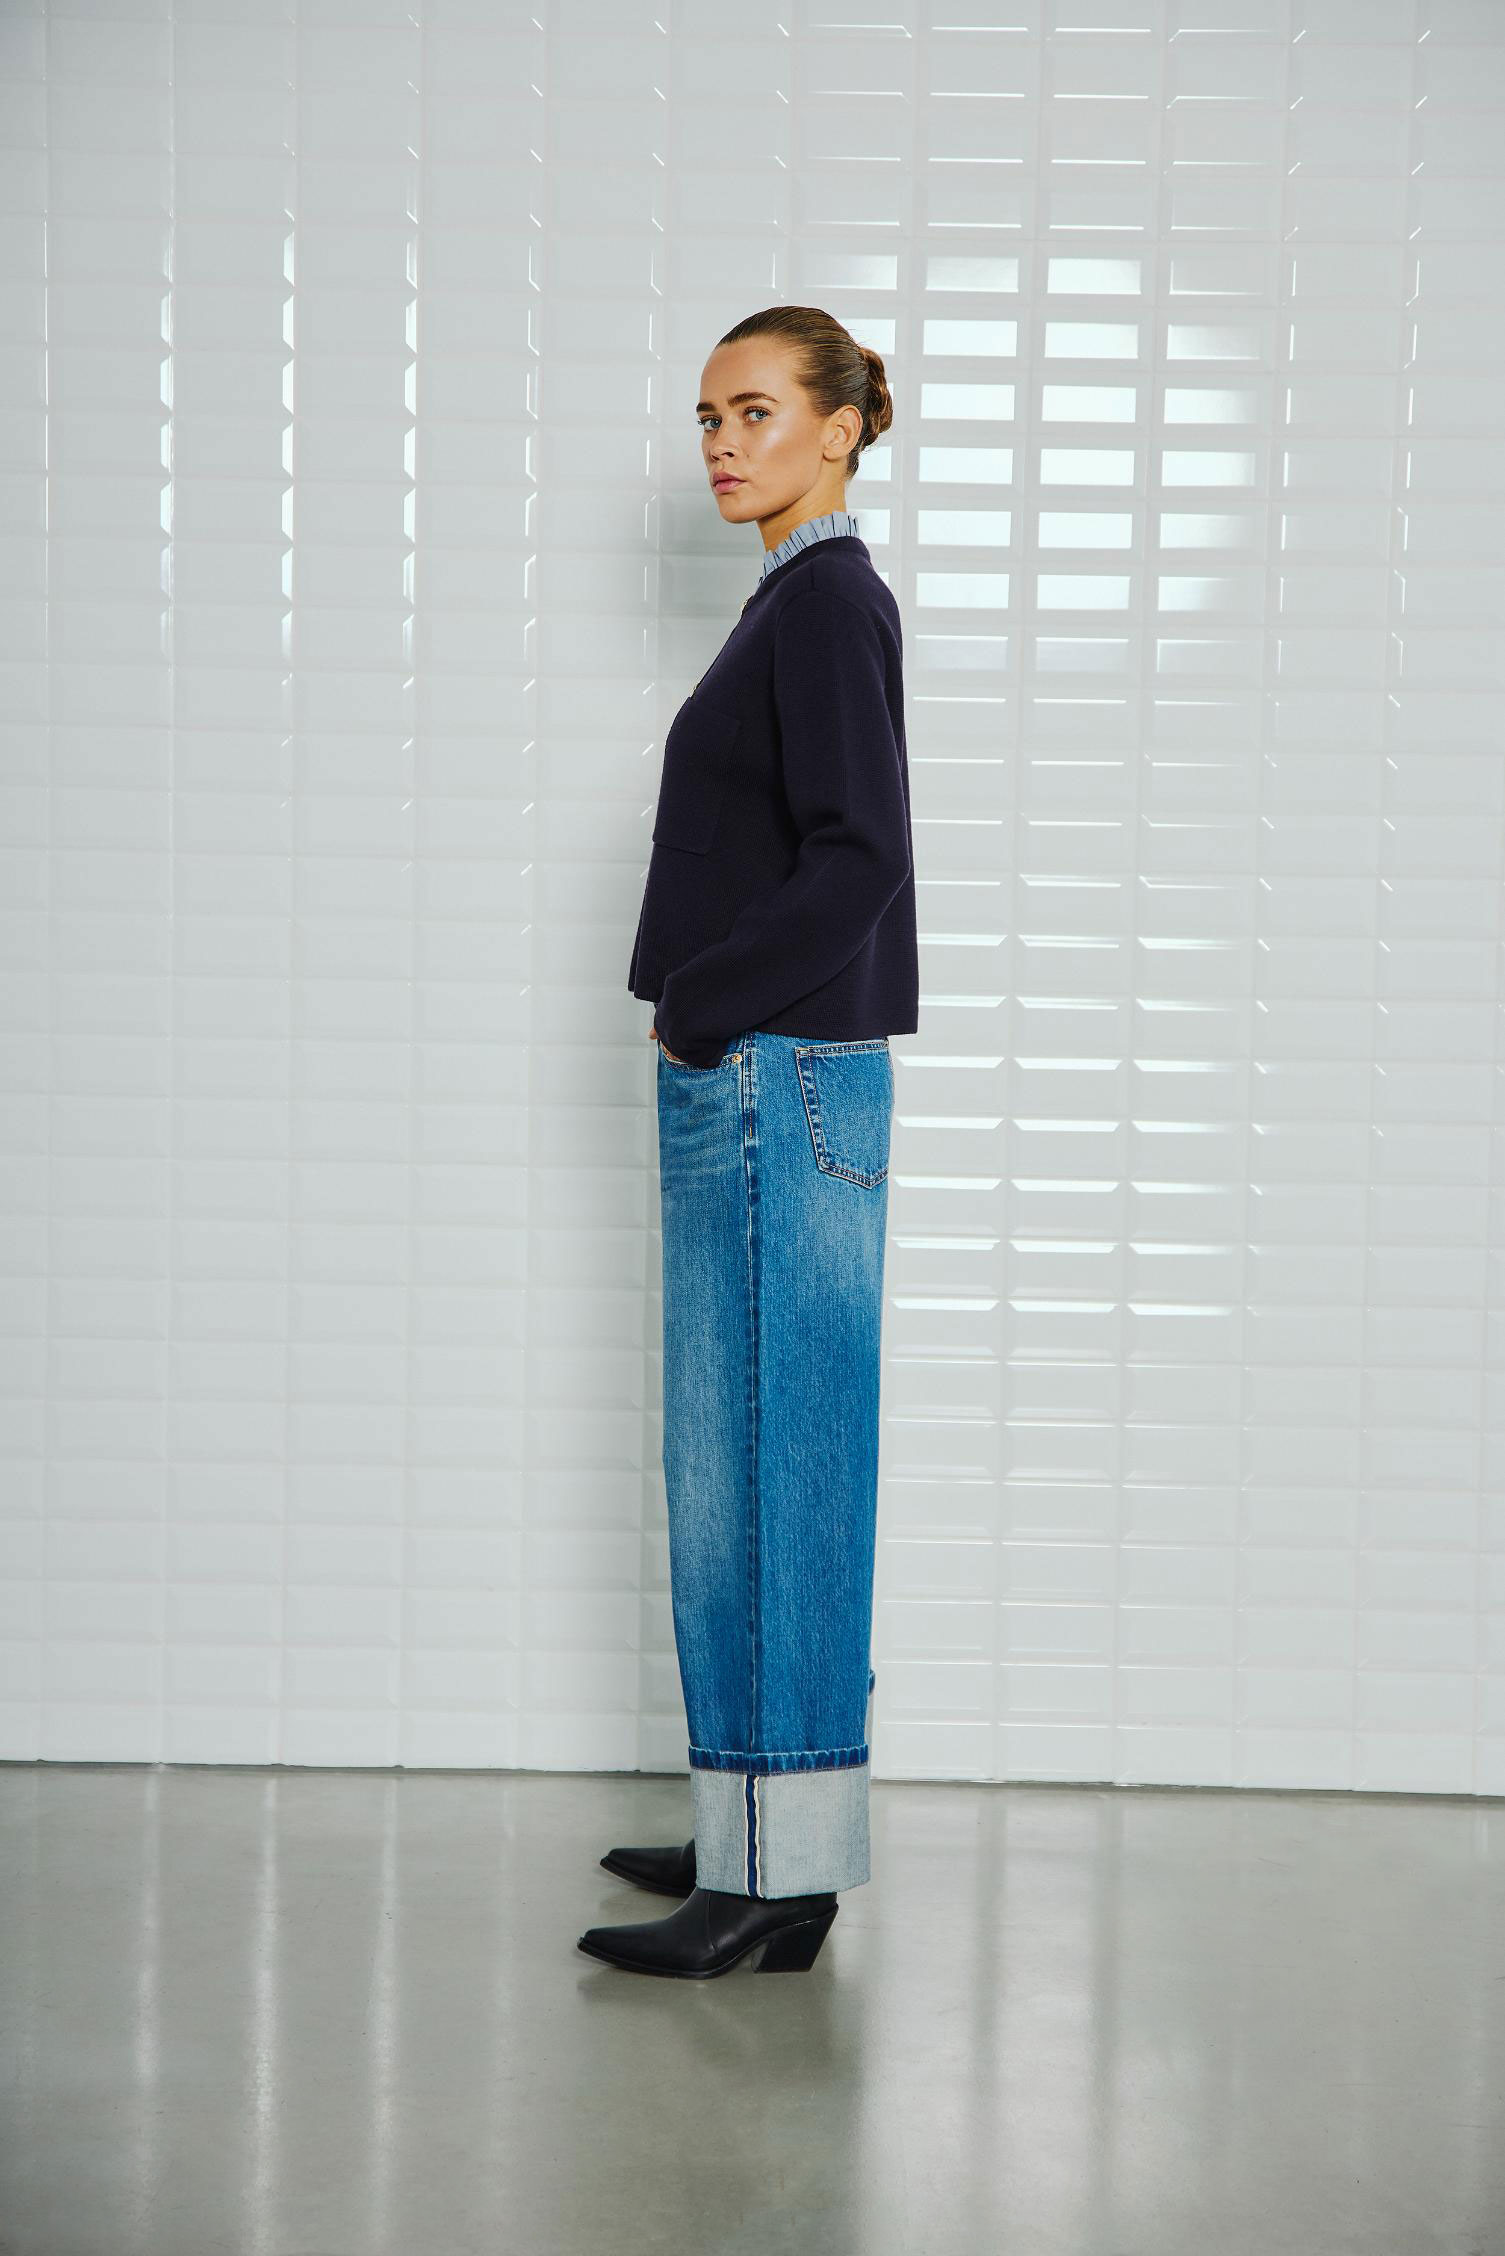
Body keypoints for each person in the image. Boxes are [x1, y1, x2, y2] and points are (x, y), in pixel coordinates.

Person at [577, 306, 918, 1978]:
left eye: (758, 411)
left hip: (781, 1079)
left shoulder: (831, 602)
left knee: (778, 1475)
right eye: (709, 414)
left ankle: (780, 1870)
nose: (721, 441)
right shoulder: (789, 600)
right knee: (723, 1478)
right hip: (750, 1076)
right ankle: (748, 1831)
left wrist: (700, 1007)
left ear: (842, 427)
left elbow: (861, 857)